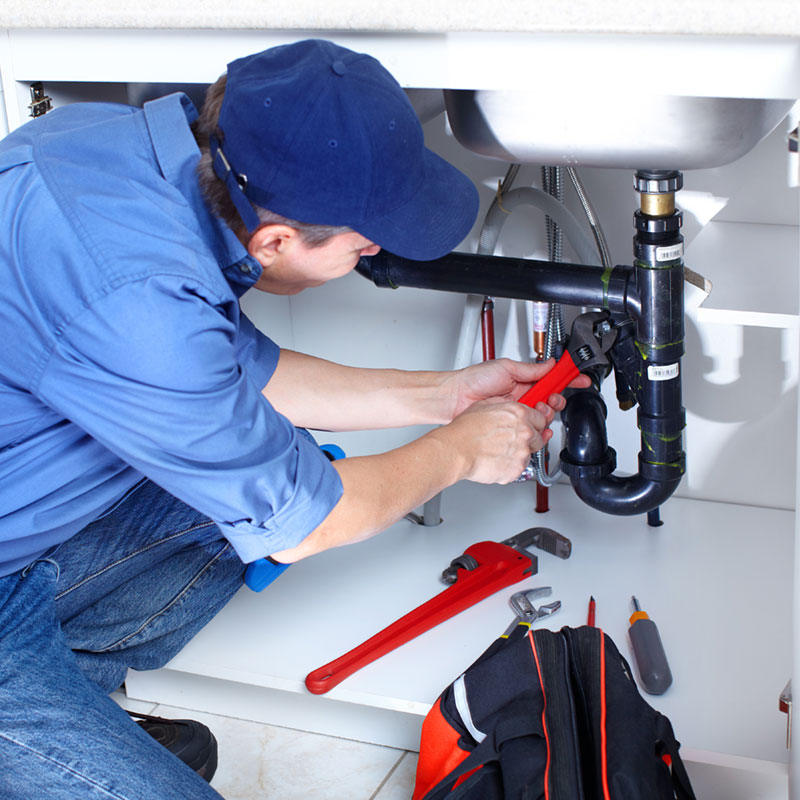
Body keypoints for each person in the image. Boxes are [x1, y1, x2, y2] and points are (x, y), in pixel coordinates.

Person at [0, 39, 586, 799]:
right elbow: (305, 525)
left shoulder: (109, 148)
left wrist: (445, 395)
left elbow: (236, 370)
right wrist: (459, 453)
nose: (375, 251)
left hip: (22, 534)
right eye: (362, 242)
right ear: (274, 240)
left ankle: (61, 712)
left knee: (282, 467)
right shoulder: (138, 303)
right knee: (296, 499)